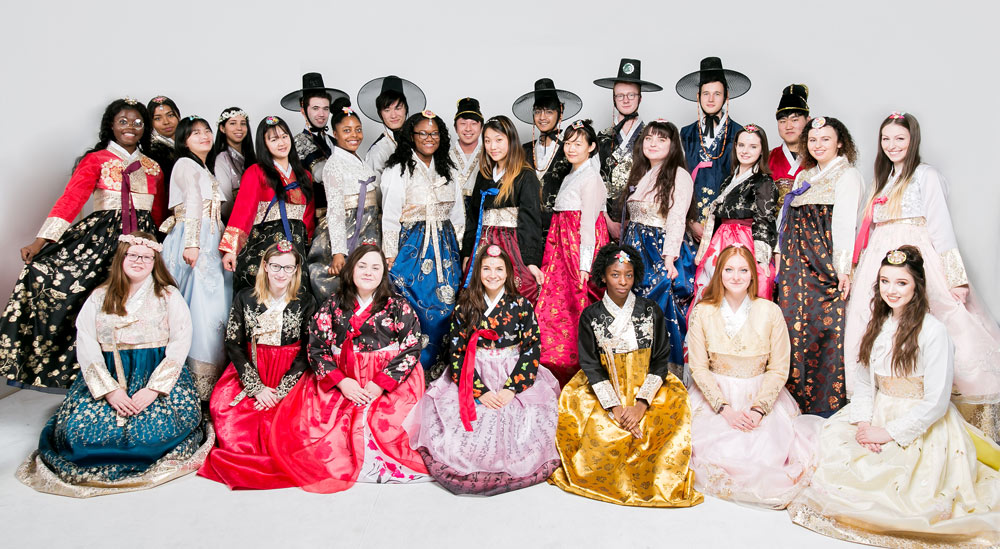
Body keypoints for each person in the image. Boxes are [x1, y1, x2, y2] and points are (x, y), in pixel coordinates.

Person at [789, 246, 1000, 548]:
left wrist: (887, 432)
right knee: (833, 449)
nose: (892, 290)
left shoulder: (933, 331)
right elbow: (864, 383)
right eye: (885, 281)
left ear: (917, 285)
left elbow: (936, 401)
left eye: (901, 282)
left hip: (920, 420)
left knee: (901, 483)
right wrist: (864, 425)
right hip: (878, 409)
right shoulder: (877, 325)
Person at [16, 232, 209, 497]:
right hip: (109, 376)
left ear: (155, 262)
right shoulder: (99, 296)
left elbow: (180, 344)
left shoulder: (168, 295)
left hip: (152, 374)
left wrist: (153, 390)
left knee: (152, 437)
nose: (139, 261)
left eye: (146, 257)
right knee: (81, 437)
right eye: (133, 255)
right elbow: (86, 343)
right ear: (121, 258)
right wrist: (110, 390)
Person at [847, 112, 1000, 441]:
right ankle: (879, 406)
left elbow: (941, 227)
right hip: (881, 258)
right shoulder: (883, 179)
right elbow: (867, 231)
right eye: (886, 139)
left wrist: (955, 277)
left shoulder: (926, 175)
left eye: (899, 138)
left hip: (915, 255)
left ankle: (947, 410)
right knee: (876, 325)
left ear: (912, 140)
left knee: (942, 322)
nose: (892, 145)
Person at [1, 98, 166, 390]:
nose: (131, 127)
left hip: (142, 238)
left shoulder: (153, 167)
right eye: (123, 121)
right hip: (102, 236)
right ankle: (82, 372)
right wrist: (40, 242)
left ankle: (131, 370)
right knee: (80, 291)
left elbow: (157, 213)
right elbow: (70, 202)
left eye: (138, 122)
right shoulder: (96, 160)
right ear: (111, 126)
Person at [549, 243, 703, 508]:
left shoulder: (650, 310)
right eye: (615, 274)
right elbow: (590, 364)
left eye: (628, 275)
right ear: (603, 276)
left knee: (659, 429)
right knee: (600, 434)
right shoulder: (591, 316)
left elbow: (659, 359)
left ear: (636, 276)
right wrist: (616, 407)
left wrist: (642, 404)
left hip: (647, 385)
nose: (622, 281)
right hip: (607, 388)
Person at [269, 245, 429, 493]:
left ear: (383, 272)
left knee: (389, 428)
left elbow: (412, 347)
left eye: (375, 267)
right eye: (362, 266)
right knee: (319, 433)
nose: (368, 272)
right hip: (345, 377)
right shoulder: (332, 305)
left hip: (386, 379)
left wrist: (380, 384)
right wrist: (342, 382)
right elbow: (316, 348)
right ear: (351, 269)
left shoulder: (399, 306)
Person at [405, 245, 560, 496]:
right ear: (478, 272)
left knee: (527, 423)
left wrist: (512, 389)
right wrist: (479, 390)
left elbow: (532, 348)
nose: (493, 274)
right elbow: (456, 350)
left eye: (499, 269)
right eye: (486, 269)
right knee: (461, 432)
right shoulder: (466, 304)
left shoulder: (521, 305)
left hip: (511, 372)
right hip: (473, 371)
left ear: (508, 273)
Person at [686, 244, 821, 508]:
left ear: (753, 275)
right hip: (715, 393)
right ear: (719, 273)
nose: (736, 277)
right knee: (711, 451)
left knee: (765, 453)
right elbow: (699, 367)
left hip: (760, 394)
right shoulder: (703, 311)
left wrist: (759, 409)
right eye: (729, 270)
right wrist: (723, 408)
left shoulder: (770, 311)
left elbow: (779, 367)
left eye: (743, 270)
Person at [198, 241, 316, 490]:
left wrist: (282, 389)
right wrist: (257, 387)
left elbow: (309, 348)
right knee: (234, 416)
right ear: (265, 266)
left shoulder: (305, 301)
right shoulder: (245, 297)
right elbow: (233, 343)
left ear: (296, 270)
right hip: (253, 368)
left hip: (289, 370)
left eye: (288, 268)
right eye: (275, 266)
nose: (281, 273)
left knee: (290, 424)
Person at [776, 116, 862, 416]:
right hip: (795, 267)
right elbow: (785, 223)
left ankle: (826, 408)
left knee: (825, 332)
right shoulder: (804, 176)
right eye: (813, 139)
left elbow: (844, 224)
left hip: (823, 266)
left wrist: (843, 270)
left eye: (826, 139)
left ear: (840, 142)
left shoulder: (847, 175)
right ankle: (794, 405)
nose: (818, 144)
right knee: (791, 332)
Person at [381, 110, 464, 371]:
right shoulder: (398, 169)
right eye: (423, 133)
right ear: (411, 136)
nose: (429, 138)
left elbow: (458, 215)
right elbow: (391, 216)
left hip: (445, 244)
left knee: (448, 304)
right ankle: (412, 368)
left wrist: (459, 250)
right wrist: (390, 254)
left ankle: (442, 368)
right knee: (411, 303)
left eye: (435, 133)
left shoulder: (448, 168)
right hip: (412, 246)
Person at [160, 115, 232, 400]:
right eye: (195, 133)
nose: (203, 136)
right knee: (199, 305)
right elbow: (191, 201)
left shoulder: (203, 167)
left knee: (217, 306)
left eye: (206, 131)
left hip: (210, 238)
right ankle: (196, 382)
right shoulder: (185, 164)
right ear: (183, 140)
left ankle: (214, 379)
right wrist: (192, 244)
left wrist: (227, 243)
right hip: (196, 238)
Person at [619, 120, 695, 378]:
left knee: (656, 310)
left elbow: (677, 218)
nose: (653, 143)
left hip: (657, 249)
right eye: (649, 138)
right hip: (634, 247)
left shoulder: (679, 175)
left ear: (673, 146)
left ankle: (661, 376)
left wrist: (670, 258)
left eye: (662, 139)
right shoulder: (642, 173)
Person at [536, 120, 609, 386]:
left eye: (578, 143)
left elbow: (589, 225)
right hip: (560, 246)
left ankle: (576, 372)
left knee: (576, 304)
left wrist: (585, 266)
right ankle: (551, 369)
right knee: (556, 306)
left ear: (591, 147)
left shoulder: (591, 178)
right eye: (568, 142)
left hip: (576, 248)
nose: (571, 148)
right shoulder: (571, 175)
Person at [220, 115, 315, 297]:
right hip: (265, 245)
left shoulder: (304, 176)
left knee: (296, 296)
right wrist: (230, 250)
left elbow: (308, 218)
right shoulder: (255, 172)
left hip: (296, 247)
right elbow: (243, 212)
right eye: (274, 139)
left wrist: (308, 245)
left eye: (284, 136)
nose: (281, 142)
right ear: (264, 144)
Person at [693, 124, 778, 306]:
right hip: (721, 238)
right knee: (714, 287)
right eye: (741, 145)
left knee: (744, 287)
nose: (745, 151)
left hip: (745, 239)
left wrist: (762, 260)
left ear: (762, 150)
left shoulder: (764, 181)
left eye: (753, 146)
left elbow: (764, 220)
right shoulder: (728, 180)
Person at [461, 115, 543, 302]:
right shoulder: (484, 174)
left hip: (511, 244)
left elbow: (531, 221)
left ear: (511, 140)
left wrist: (531, 261)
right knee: (477, 296)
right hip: (482, 245)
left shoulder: (525, 176)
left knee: (515, 295)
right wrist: (468, 253)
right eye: (488, 141)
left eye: (499, 140)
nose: (493, 147)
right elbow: (474, 217)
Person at [308, 100, 380, 301]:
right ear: (335, 134)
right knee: (347, 281)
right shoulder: (334, 165)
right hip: (349, 228)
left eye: (358, 129)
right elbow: (336, 210)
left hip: (368, 225)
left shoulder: (359, 160)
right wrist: (339, 252)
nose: (354, 135)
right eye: (347, 130)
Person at [676, 57, 751, 242]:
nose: (710, 99)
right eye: (705, 93)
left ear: (726, 97)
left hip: (727, 223)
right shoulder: (686, 133)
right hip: (690, 220)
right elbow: (678, 181)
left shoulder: (739, 133)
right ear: (698, 97)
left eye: (717, 94)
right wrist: (690, 220)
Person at [594, 57, 663, 223]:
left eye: (631, 95)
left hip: (641, 221)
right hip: (605, 220)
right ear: (614, 99)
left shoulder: (651, 137)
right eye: (620, 96)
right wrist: (607, 222)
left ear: (640, 98)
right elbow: (593, 183)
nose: (625, 100)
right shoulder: (601, 137)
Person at [511, 78, 582, 235]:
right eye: (538, 111)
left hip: (561, 231)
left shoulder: (571, 149)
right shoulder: (524, 150)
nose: (542, 117)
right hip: (527, 231)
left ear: (560, 111)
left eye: (549, 111)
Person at [358, 75, 426, 178]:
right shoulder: (378, 151)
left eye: (398, 108)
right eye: (387, 110)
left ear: (406, 109)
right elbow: (374, 191)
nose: (393, 115)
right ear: (380, 114)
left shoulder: (419, 139)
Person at [768, 84, 809, 205]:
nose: (788, 126)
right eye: (782, 121)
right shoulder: (766, 158)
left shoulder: (818, 158)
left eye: (794, 120)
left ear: (808, 121)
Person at [214, 107, 256, 222]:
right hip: (236, 221)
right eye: (232, 123)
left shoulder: (251, 158)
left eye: (243, 124)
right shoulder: (222, 158)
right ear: (222, 128)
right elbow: (226, 202)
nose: (239, 128)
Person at [450, 97, 484, 213]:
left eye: (474, 123)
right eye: (463, 123)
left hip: (480, 218)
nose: (468, 129)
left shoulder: (490, 157)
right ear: (455, 127)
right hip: (451, 218)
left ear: (481, 128)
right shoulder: (444, 157)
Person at [147, 96, 181, 211]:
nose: (166, 122)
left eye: (170, 115)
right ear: (150, 123)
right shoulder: (152, 153)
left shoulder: (191, 143)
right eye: (158, 118)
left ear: (179, 116)